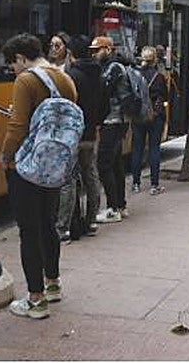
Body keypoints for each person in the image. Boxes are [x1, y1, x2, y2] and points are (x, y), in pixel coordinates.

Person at [0, 33, 78, 319]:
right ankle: (53, 283)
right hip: (55, 164)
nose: (13, 70)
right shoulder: (64, 79)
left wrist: (5, 156)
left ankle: (35, 299)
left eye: (13, 64)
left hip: (28, 165)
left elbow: (17, 127)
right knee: (48, 224)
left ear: (21, 58)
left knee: (28, 230)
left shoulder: (26, 80)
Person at [58, 35, 108, 241]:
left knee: (68, 180)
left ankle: (64, 227)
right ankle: (92, 220)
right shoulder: (99, 74)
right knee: (91, 175)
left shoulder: (70, 76)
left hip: (72, 133)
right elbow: (105, 105)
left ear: (71, 53)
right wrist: (95, 122)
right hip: (90, 133)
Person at [91, 36, 131, 224]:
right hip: (116, 121)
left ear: (108, 49)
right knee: (115, 164)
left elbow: (103, 92)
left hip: (113, 120)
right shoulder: (113, 67)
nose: (94, 54)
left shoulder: (113, 68)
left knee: (104, 164)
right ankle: (120, 205)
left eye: (97, 50)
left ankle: (113, 208)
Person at [130, 46, 169, 195]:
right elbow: (165, 96)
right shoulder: (159, 77)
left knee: (137, 149)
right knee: (154, 148)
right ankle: (154, 185)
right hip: (155, 116)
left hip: (138, 116)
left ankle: (135, 183)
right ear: (155, 60)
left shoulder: (135, 75)